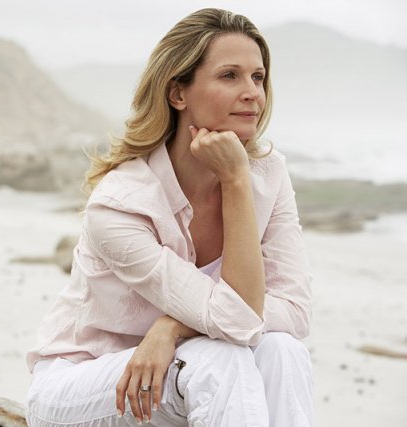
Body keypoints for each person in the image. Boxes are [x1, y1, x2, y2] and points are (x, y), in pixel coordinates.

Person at [25, 8, 313, 427]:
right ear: (178, 93)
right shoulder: (120, 204)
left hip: (176, 371)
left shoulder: (268, 174)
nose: (252, 92)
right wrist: (234, 180)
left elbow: (295, 310)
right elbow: (238, 321)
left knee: (283, 351)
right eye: (229, 75)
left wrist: (171, 328)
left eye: (258, 77)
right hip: (85, 387)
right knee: (220, 355)